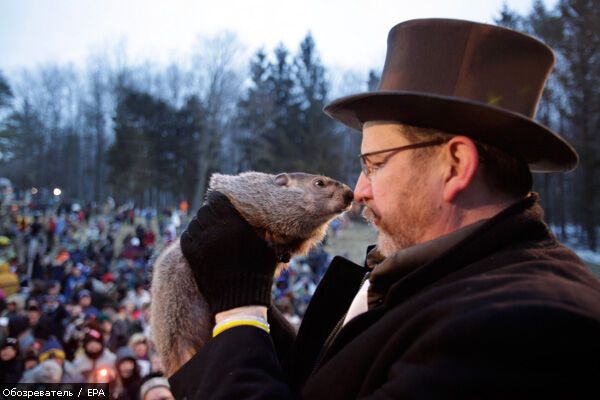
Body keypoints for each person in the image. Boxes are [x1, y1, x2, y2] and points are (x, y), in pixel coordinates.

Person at [170, 19, 600, 399]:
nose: (359, 192)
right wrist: (244, 290)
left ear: (456, 165)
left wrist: (239, 317)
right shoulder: (432, 276)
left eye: (375, 165)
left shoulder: (522, 330)